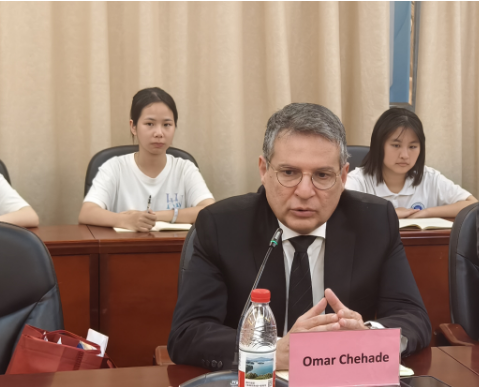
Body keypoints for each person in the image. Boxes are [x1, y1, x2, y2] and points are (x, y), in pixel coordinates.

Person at [168, 103, 431, 372]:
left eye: (322, 175)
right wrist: (269, 351)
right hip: (256, 386)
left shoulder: (374, 222)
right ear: (264, 171)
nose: (305, 191)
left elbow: (413, 317)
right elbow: (188, 333)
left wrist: (368, 336)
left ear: (342, 177)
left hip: (342, 384)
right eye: (289, 173)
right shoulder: (222, 226)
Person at [79, 87, 214, 231]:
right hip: (123, 245)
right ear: (133, 127)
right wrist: (126, 220)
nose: (159, 133)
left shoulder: (185, 169)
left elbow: (209, 210)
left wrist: (156, 216)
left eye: (167, 125)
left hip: (174, 245)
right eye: (150, 124)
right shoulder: (114, 168)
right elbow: (87, 212)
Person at [346, 108, 477, 219]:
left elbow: (472, 204)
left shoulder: (430, 178)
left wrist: (427, 212)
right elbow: (339, 211)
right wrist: (390, 214)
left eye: (412, 147)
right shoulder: (359, 180)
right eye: (396, 145)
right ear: (379, 145)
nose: (404, 155)